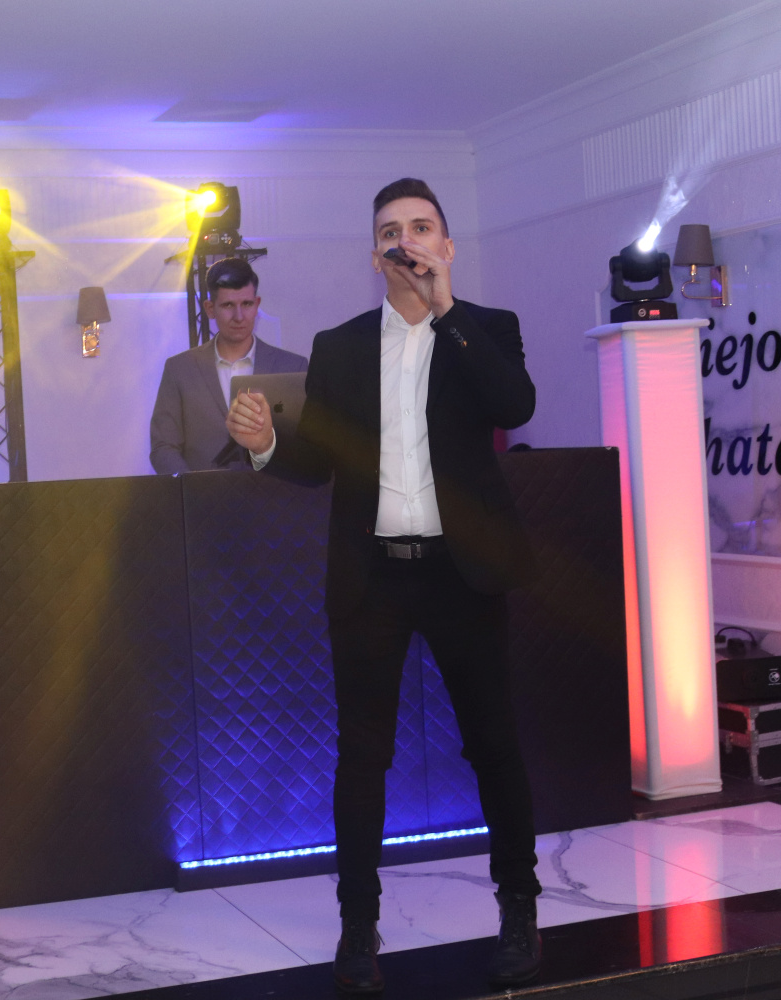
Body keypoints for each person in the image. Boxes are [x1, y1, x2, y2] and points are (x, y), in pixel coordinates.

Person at [226, 178, 541, 993]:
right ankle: (358, 925)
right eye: (392, 231)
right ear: (375, 255)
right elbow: (317, 463)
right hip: (373, 578)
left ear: (446, 246)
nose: (407, 240)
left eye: (422, 227)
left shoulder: (487, 329)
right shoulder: (339, 348)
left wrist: (446, 310)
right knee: (363, 756)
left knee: (493, 744)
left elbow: (515, 404)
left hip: (462, 574)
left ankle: (519, 905)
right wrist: (266, 445)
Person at [149, 257, 306, 473]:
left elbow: (305, 448)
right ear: (210, 308)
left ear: (257, 304)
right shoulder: (179, 370)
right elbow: (163, 447)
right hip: (201, 493)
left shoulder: (293, 367)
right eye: (228, 305)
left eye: (246, 304)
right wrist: (192, 487)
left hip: (272, 491)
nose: (239, 316)